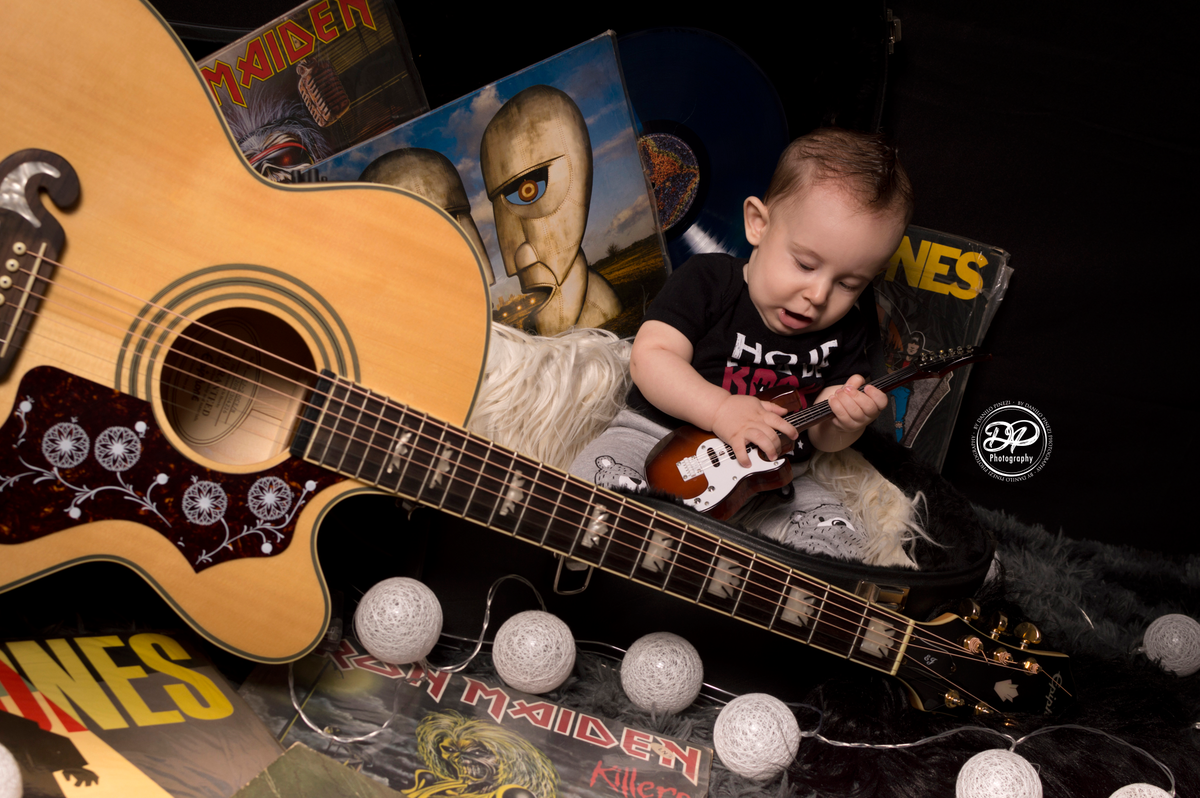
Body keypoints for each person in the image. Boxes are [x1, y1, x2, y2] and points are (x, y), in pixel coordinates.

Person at [569, 127, 916, 563]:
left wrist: (846, 421)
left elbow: (824, 435)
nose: (819, 295)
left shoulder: (848, 328)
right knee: (597, 482)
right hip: (658, 442)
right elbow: (650, 358)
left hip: (775, 479)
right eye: (805, 264)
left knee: (841, 533)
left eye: (849, 283)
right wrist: (720, 409)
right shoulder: (709, 281)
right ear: (758, 224)